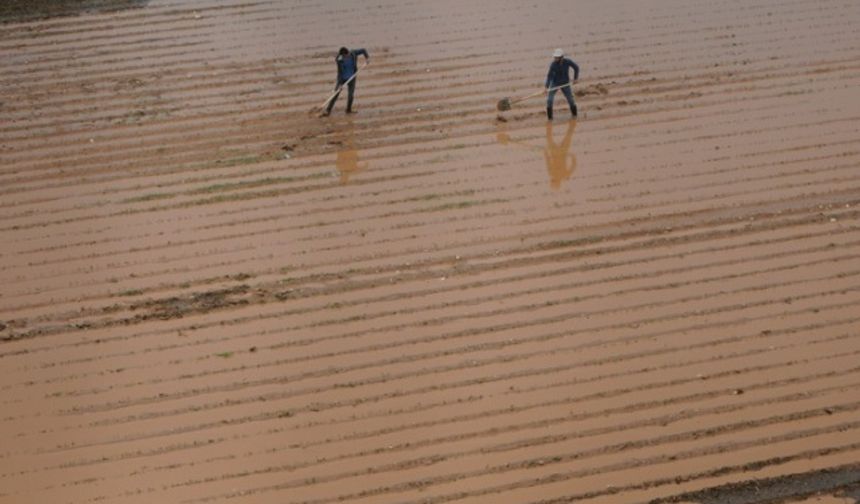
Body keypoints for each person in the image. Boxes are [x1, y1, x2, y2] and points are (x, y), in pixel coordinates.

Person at [321, 46, 369, 117]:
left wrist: (367, 58)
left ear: (348, 53)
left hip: (352, 78)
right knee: (335, 94)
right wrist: (340, 84)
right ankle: (328, 110)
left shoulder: (353, 54)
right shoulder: (339, 59)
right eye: (343, 56)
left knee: (350, 96)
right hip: (342, 78)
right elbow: (340, 72)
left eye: (346, 56)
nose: (345, 57)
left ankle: (348, 110)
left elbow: (363, 50)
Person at [544, 48, 579, 120]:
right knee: (549, 100)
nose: (555, 59)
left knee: (571, 100)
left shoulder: (567, 62)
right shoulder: (553, 65)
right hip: (555, 83)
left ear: (561, 58)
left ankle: (575, 115)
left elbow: (576, 68)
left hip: (565, 83)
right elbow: (549, 76)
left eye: (557, 58)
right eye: (555, 57)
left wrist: (575, 78)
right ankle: (550, 118)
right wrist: (546, 87)